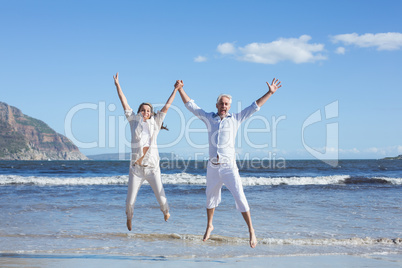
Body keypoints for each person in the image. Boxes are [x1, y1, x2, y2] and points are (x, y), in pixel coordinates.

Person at [175, 78, 282, 248]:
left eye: (226, 104)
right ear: (217, 105)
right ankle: (210, 225)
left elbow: (255, 106)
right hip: (212, 166)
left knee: (240, 197)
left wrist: (270, 92)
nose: (224, 106)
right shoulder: (209, 118)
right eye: (221, 103)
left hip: (229, 167)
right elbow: (191, 106)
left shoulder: (236, 119)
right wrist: (180, 89)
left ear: (229, 107)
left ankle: (251, 231)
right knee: (210, 198)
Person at [113, 73, 179, 231]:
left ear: (151, 113)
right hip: (136, 169)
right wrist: (117, 85)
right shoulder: (133, 121)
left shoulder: (156, 123)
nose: (145, 112)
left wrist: (175, 89)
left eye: (148, 110)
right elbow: (124, 102)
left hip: (152, 168)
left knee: (161, 197)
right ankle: (129, 218)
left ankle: (166, 212)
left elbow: (167, 107)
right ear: (139, 112)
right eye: (142, 110)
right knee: (130, 201)